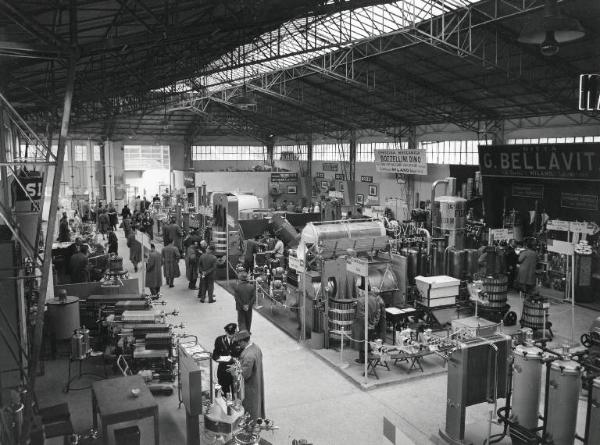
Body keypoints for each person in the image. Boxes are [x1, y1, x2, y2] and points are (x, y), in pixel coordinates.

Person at [232, 331, 265, 420]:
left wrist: (234, 370)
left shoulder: (248, 356)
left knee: (250, 406)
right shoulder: (256, 348)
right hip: (257, 380)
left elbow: (244, 375)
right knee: (256, 403)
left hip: (250, 386)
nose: (238, 345)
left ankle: (250, 427)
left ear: (243, 341)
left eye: (239, 342)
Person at [352, 291, 380, 363]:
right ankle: (370, 357)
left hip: (362, 326)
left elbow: (361, 315)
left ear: (362, 291)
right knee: (369, 342)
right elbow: (378, 312)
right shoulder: (375, 299)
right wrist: (374, 323)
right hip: (372, 325)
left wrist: (367, 324)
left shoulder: (360, 300)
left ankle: (363, 359)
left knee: (362, 343)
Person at [212, 323, 237, 396]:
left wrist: (234, 359)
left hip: (234, 372)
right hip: (223, 372)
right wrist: (219, 358)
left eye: (233, 333)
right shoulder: (219, 340)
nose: (231, 336)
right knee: (224, 395)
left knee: (236, 394)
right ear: (226, 332)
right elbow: (215, 355)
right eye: (229, 334)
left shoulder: (239, 340)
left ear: (235, 332)